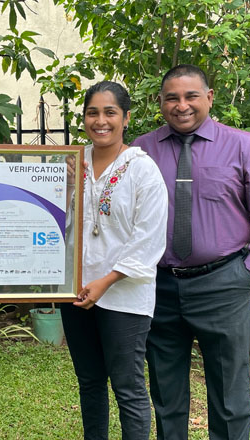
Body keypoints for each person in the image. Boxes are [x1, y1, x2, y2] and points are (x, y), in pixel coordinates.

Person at [134, 64, 250, 440]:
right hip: (158, 287)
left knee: (229, 396)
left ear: (209, 97)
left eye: (191, 96)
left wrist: (248, 270)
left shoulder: (243, 146)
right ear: (160, 102)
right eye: (171, 98)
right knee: (166, 394)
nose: (181, 105)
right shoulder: (141, 151)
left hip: (223, 285)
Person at [61, 81, 168, 440]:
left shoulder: (142, 169)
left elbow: (148, 237)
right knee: (89, 381)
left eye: (110, 112)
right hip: (76, 291)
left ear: (126, 118)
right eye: (92, 112)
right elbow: (53, 224)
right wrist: (69, 186)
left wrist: (106, 281)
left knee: (128, 386)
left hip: (124, 295)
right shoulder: (71, 162)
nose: (100, 121)